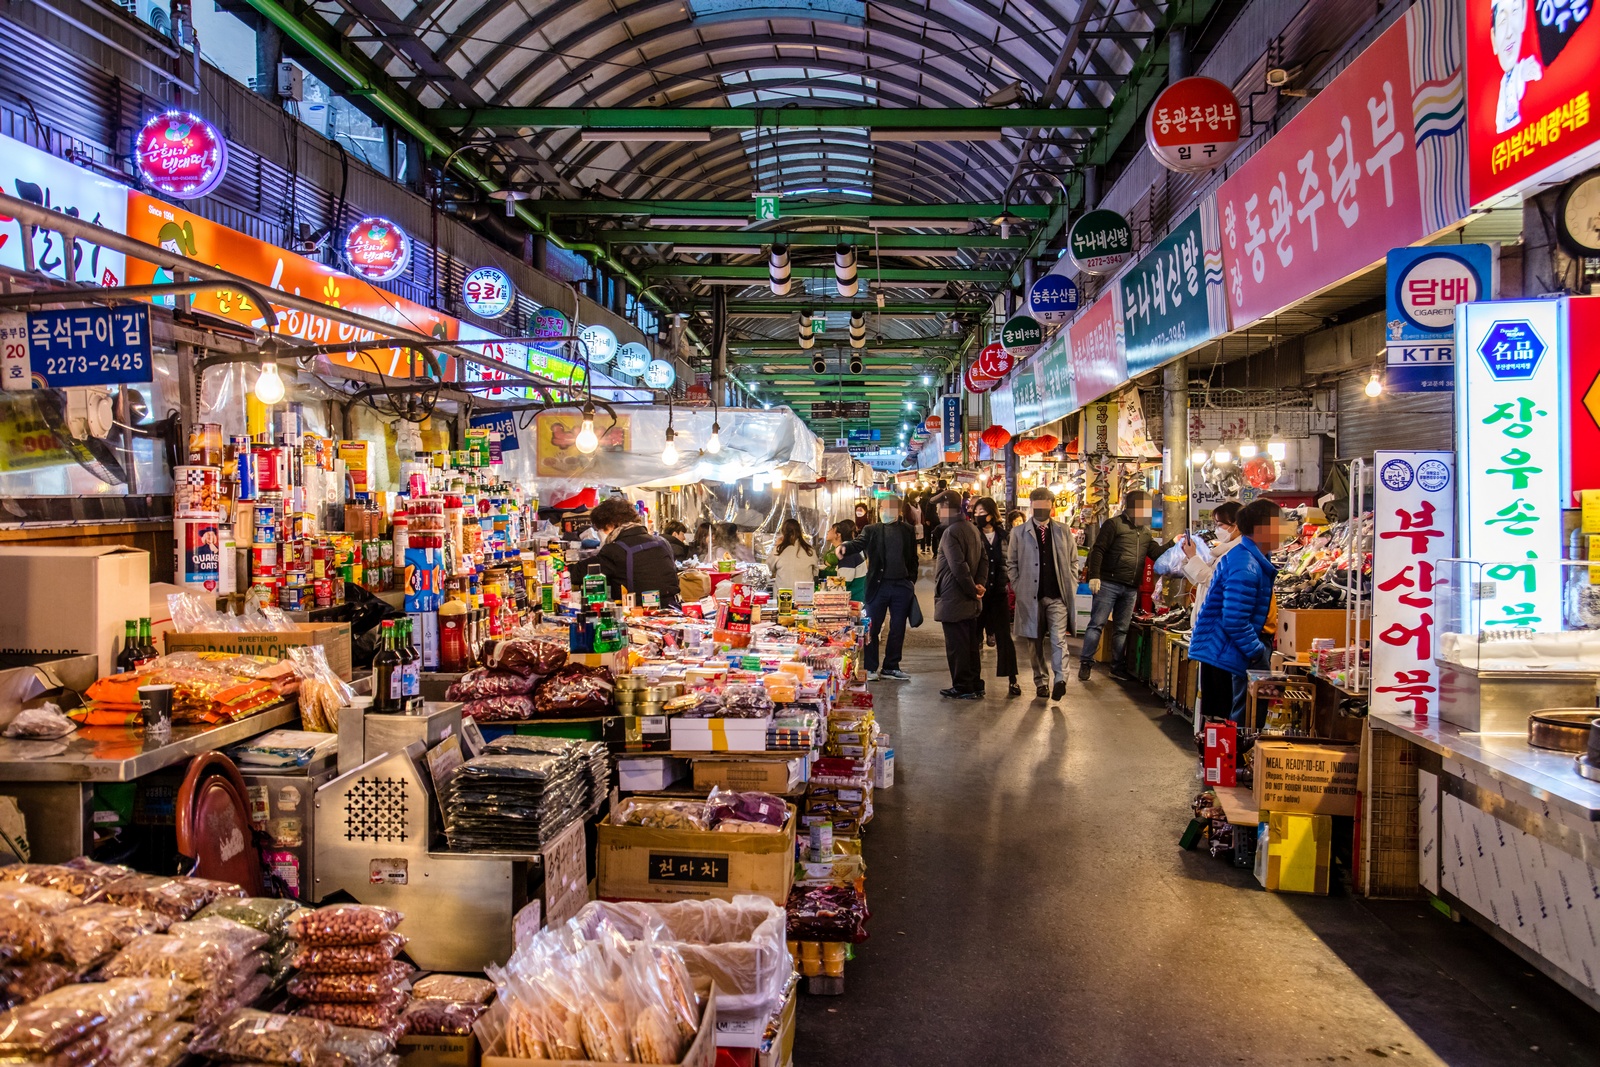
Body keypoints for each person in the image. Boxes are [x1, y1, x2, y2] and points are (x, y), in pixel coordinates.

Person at [1188, 499, 1288, 723]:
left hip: (1239, 646)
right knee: (1243, 720)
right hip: (1239, 649)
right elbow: (1234, 619)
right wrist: (1256, 653)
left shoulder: (1254, 557)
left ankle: (1235, 753)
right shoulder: (1245, 564)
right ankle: (1237, 756)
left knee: (1245, 715)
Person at [1079, 489, 1173, 681]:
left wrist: (1174, 543)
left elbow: (1156, 554)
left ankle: (1117, 666)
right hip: (1108, 584)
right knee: (1097, 624)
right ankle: (1086, 663)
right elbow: (1098, 550)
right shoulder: (1113, 525)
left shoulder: (1145, 532)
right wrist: (1094, 576)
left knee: (1122, 628)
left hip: (1130, 587)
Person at [1008, 487, 1079, 700]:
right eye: (1037, 507)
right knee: (1034, 641)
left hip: (1057, 596)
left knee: (1058, 639)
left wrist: (1071, 583)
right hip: (1030, 596)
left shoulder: (1063, 531)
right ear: (1031, 507)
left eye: (1045, 507)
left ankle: (1060, 679)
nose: (1040, 511)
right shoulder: (1018, 533)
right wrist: (1018, 585)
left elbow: (1074, 561)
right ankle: (1041, 682)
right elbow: (1011, 563)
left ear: (1051, 507)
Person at [842, 494, 919, 681]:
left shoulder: (908, 530)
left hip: (901, 585)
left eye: (891, 508)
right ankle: (870, 667)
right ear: (879, 510)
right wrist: (844, 548)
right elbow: (858, 543)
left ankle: (891, 666)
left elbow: (912, 557)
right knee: (872, 627)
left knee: (898, 627)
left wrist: (910, 581)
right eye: (883, 507)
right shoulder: (872, 530)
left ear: (899, 511)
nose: (886, 511)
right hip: (878, 584)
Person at [931, 490, 986, 699]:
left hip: (955, 598)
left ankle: (963, 686)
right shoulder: (972, 528)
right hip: (969, 600)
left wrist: (973, 590)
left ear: (946, 508)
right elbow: (984, 559)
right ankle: (975, 684)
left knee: (957, 647)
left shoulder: (951, 532)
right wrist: (979, 584)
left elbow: (958, 566)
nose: (937, 513)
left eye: (938, 509)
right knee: (970, 644)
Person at [588, 498, 681, 607]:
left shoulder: (614, 550)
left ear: (611, 524)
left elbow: (580, 572)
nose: (601, 533)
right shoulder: (663, 542)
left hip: (638, 614)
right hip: (671, 610)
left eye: (602, 528)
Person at [972, 497, 1021, 697]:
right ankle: (974, 680)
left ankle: (1013, 680)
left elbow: (1013, 560)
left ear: (992, 514)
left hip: (999, 592)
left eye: (981, 511)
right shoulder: (973, 535)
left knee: (1005, 638)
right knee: (974, 638)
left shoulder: (1005, 536)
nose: (978, 515)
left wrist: (1011, 581)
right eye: (975, 512)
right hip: (978, 594)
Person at [1179, 500, 1243, 618]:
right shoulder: (1224, 550)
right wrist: (1189, 557)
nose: (1217, 530)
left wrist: (1193, 557)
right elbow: (1201, 580)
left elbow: (1214, 581)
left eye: (1220, 525)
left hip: (1217, 619)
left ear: (1237, 526)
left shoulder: (1238, 553)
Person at [822, 519, 869, 604]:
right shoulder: (846, 549)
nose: (828, 531)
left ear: (838, 535)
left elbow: (844, 581)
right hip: (854, 600)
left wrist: (824, 587)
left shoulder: (846, 552)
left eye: (832, 529)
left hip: (855, 602)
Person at [768, 518, 820, 593]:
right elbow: (816, 572)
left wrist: (776, 545)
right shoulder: (810, 550)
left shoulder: (778, 550)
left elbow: (768, 569)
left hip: (783, 598)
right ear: (800, 532)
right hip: (805, 597)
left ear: (783, 532)